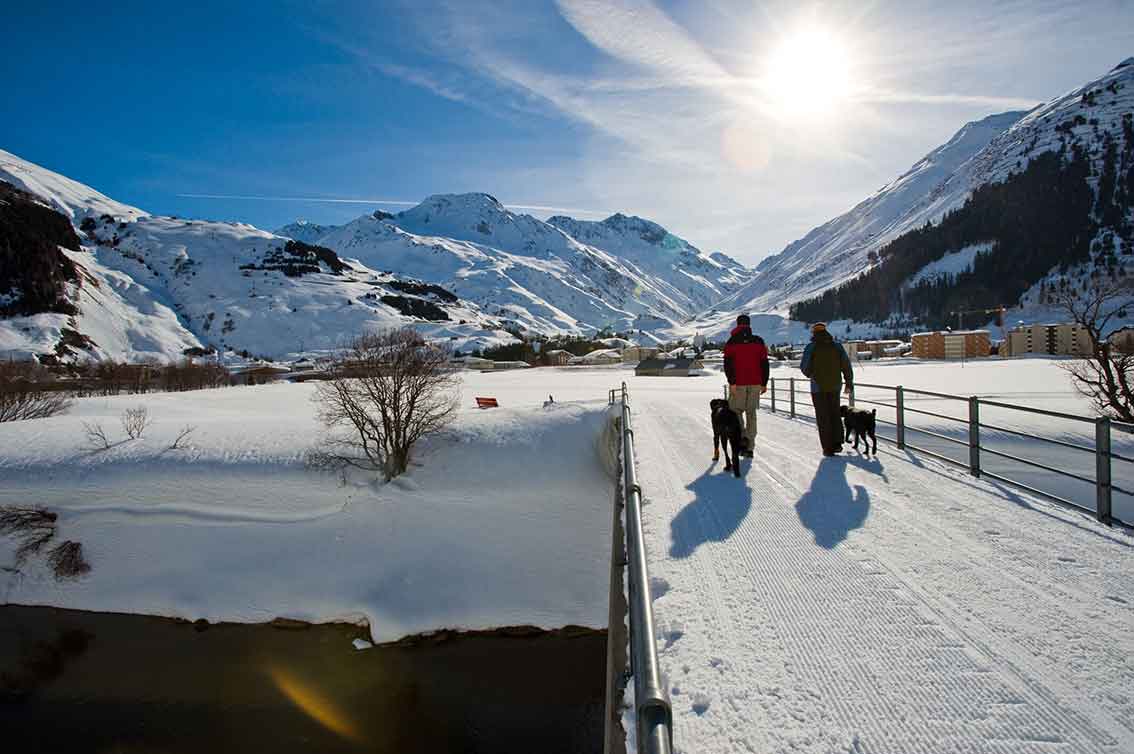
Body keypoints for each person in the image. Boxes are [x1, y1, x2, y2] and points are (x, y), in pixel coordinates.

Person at [799, 323, 853, 456]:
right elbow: (846, 365)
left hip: (818, 387)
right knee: (834, 412)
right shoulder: (837, 346)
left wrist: (812, 375)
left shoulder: (811, 347)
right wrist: (848, 381)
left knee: (822, 416)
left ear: (813, 333)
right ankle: (837, 443)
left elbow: (804, 367)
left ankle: (828, 447)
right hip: (835, 385)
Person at [723, 314, 769, 457]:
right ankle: (750, 447)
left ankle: (741, 439)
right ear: (749, 325)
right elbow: (764, 363)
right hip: (755, 383)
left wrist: (732, 382)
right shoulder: (758, 341)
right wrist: (764, 382)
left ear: (737, 325)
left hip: (738, 383)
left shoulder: (731, 342)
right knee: (751, 414)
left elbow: (727, 364)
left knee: (736, 412)